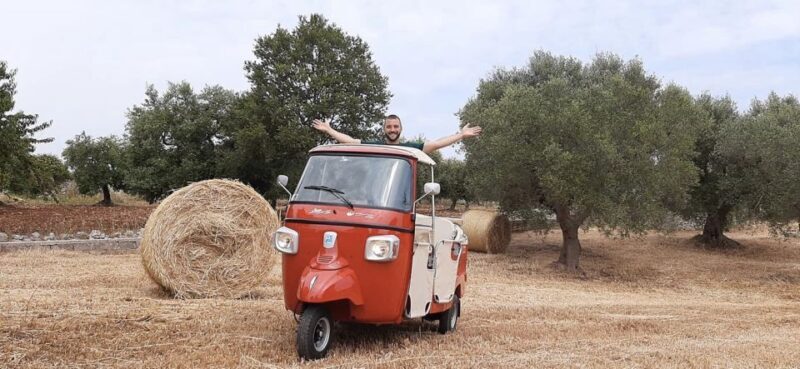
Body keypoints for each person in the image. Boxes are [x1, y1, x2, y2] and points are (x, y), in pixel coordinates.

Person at [312, 114, 481, 154]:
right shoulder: (374, 145)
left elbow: (436, 144)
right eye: (389, 127)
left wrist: (461, 135)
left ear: (401, 128)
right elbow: (350, 142)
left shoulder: (410, 148)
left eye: (395, 127)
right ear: (384, 129)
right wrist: (329, 130)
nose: (392, 130)